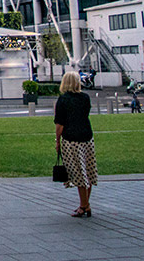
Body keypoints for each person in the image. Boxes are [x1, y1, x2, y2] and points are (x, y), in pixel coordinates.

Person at [54, 71, 97, 217]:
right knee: (88, 171)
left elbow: (60, 124)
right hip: (87, 136)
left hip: (71, 139)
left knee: (78, 173)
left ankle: (84, 206)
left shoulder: (63, 100)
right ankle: (85, 203)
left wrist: (57, 141)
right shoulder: (85, 98)